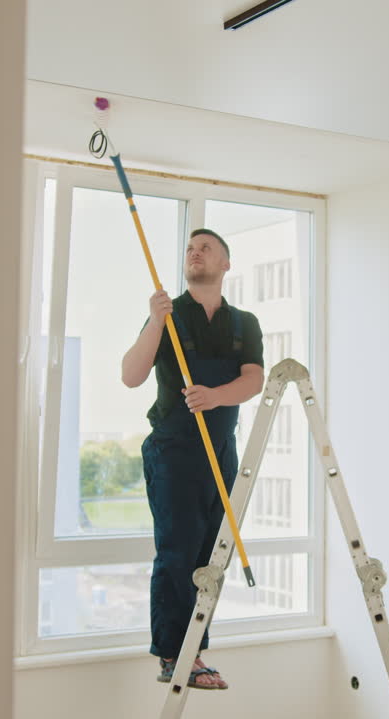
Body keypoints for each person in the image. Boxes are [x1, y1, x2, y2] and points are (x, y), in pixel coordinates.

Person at [121, 228, 264, 690]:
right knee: (178, 553)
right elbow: (131, 375)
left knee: (211, 556)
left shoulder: (244, 324)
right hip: (174, 451)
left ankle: (195, 651)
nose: (195, 252)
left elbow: (254, 380)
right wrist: (154, 322)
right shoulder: (168, 315)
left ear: (226, 263)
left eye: (206, 248)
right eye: (190, 248)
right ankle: (172, 656)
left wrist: (215, 396)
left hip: (220, 452)